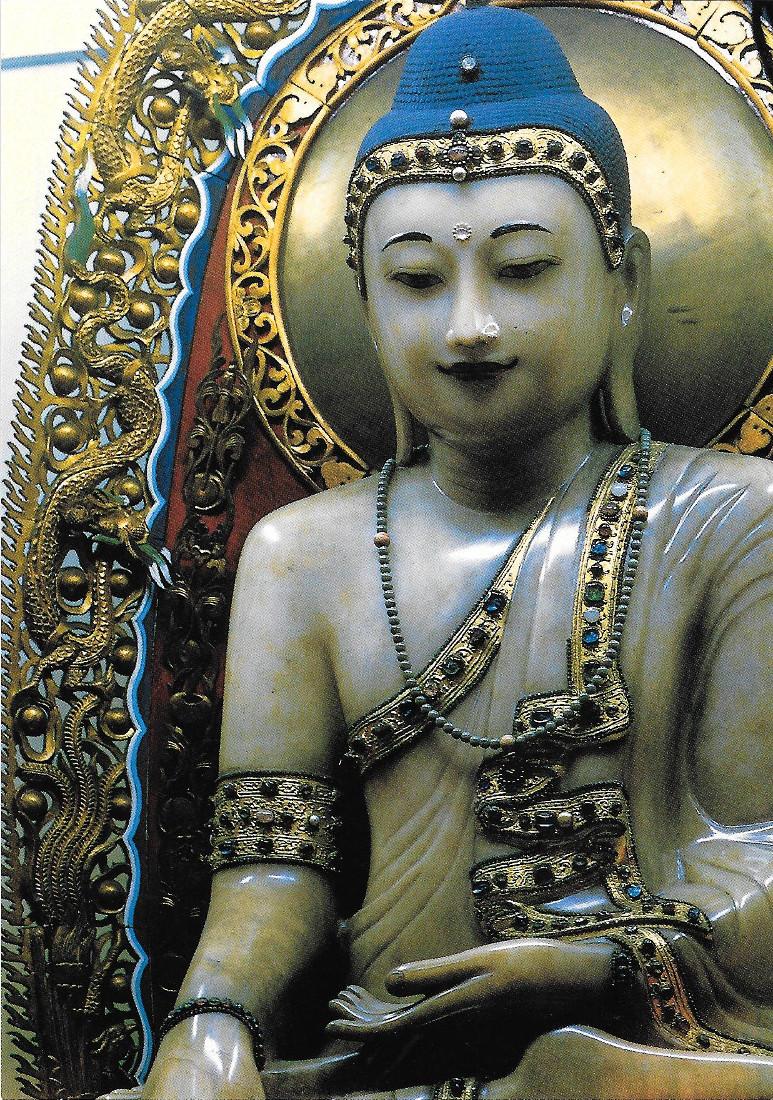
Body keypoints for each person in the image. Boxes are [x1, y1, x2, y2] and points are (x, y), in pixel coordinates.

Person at [110, 8, 773, 1098]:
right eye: (417, 280)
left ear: (624, 284)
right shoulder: (301, 557)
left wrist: (590, 960)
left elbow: (758, 848)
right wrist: (212, 1019)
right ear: (364, 306)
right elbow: (273, 867)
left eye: (520, 269)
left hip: (649, 1049)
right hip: (384, 1057)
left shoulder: (731, 522)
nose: (467, 327)